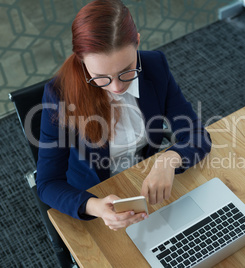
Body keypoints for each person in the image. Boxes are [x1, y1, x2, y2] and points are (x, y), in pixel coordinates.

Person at [36, 0, 211, 231]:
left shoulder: (155, 65)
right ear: (81, 60)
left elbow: (198, 135)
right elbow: (48, 184)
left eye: (127, 70)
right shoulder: (58, 95)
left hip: (145, 179)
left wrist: (169, 159)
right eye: (101, 77)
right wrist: (95, 206)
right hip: (94, 194)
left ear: (137, 42)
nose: (117, 88)